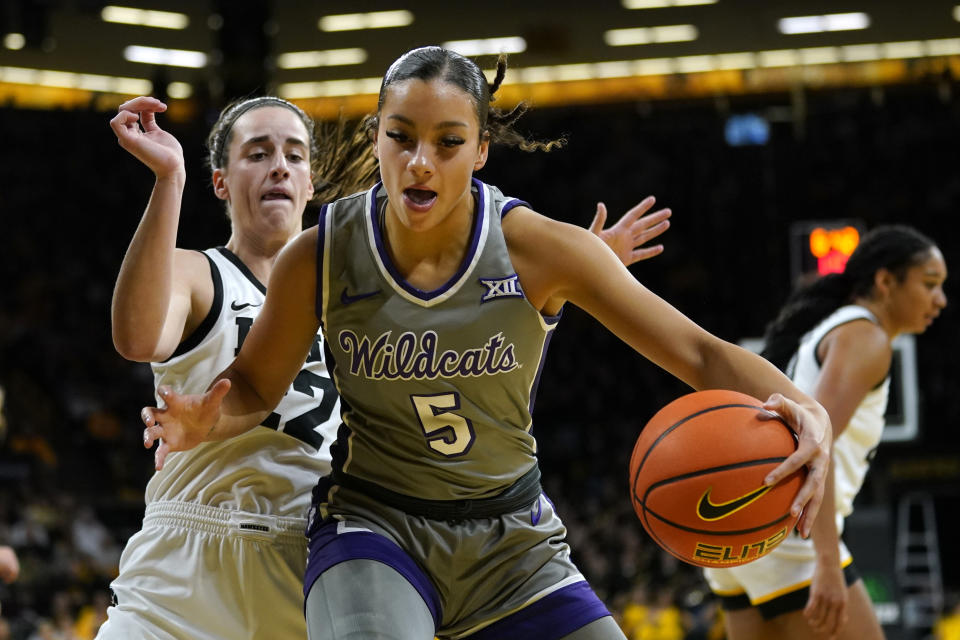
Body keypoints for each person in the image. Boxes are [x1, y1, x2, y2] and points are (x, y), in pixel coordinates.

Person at [139, 47, 831, 640]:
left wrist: (810, 410)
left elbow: (703, 355)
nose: (420, 162)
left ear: (481, 149)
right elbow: (257, 386)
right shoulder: (319, 256)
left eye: (447, 142)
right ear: (375, 136)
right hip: (374, 528)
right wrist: (209, 417)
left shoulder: (541, 249)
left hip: (513, 539)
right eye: (401, 137)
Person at [100, 91, 672, 640]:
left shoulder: (357, 281)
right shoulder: (199, 273)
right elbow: (137, 335)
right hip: (191, 555)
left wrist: (574, 271)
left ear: (310, 181)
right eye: (257, 154)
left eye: (294, 155)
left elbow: (467, 338)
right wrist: (168, 180)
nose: (279, 167)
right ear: (221, 181)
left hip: (306, 556)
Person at [703, 225, 948, 640]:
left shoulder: (830, 328)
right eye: (929, 285)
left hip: (740, 528)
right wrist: (829, 561)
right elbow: (817, 443)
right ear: (886, 282)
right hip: (790, 528)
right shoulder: (865, 336)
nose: (940, 300)